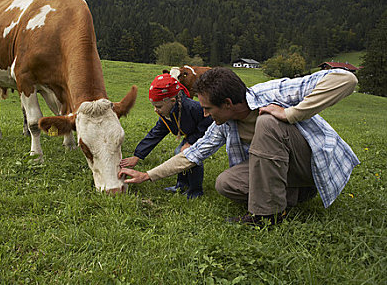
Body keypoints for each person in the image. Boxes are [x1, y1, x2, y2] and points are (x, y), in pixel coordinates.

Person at [119, 67, 360, 226]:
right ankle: (294, 195)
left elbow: (345, 79)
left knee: (268, 122)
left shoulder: (269, 93)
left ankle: (267, 216)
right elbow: (193, 153)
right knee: (226, 183)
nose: (204, 113)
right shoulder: (224, 122)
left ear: (227, 103)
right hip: (284, 172)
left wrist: (291, 114)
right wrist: (147, 175)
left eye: (208, 109)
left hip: (308, 164)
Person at [119, 73, 213, 199]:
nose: (155, 110)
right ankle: (182, 185)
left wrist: (190, 142)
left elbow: (207, 122)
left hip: (202, 135)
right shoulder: (168, 112)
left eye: (158, 106)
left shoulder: (192, 107)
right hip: (191, 134)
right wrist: (138, 155)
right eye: (153, 106)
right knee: (179, 153)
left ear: (172, 101)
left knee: (192, 157)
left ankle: (195, 191)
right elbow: (156, 133)